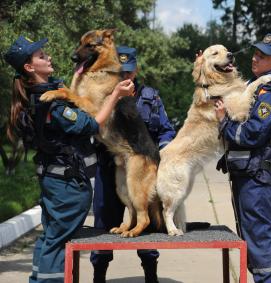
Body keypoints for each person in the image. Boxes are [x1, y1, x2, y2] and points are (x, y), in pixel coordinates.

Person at [4, 36, 134, 283]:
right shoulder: (51, 104)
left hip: (55, 181)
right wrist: (116, 94)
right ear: (30, 68)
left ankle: (38, 280)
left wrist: (76, 78)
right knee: (58, 243)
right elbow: (91, 124)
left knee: (50, 238)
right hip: (67, 186)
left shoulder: (41, 95)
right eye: (41, 56)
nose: (48, 56)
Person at [214, 33, 271, 283]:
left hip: (257, 178)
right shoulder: (257, 88)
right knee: (250, 236)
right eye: (255, 53)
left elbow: (252, 134)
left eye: (262, 56)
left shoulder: (269, 96)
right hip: (248, 174)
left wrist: (223, 122)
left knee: (260, 237)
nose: (254, 58)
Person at [90, 45, 176, 283]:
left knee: (145, 226)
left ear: (136, 70)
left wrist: (162, 155)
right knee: (103, 226)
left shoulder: (151, 97)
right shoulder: (103, 97)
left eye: (128, 72)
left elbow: (166, 131)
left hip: (143, 170)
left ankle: (151, 275)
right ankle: (99, 275)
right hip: (109, 169)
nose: (125, 77)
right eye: (120, 72)